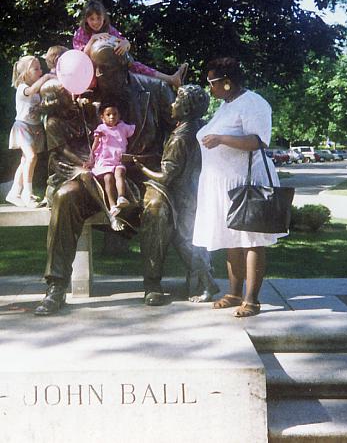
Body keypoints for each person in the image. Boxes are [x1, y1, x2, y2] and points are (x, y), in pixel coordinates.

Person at [34, 39, 175, 316]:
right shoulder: (82, 94)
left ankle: (153, 283)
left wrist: (171, 168)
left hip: (142, 173)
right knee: (65, 197)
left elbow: (179, 129)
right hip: (97, 173)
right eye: (94, 69)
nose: (96, 77)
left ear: (123, 66)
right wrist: (81, 170)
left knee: (156, 206)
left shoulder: (155, 90)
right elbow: (65, 138)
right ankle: (56, 286)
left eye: (104, 70)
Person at [192, 57, 288, 318]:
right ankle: (234, 293)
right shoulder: (226, 105)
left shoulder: (254, 103)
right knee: (230, 239)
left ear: (226, 82)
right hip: (223, 184)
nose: (209, 88)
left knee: (252, 241)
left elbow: (258, 141)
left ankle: (252, 300)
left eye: (212, 83)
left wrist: (222, 138)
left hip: (247, 183)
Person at [133, 85, 220, 306]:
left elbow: (166, 176)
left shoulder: (180, 137)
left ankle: (208, 282)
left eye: (176, 102)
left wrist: (141, 169)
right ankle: (206, 281)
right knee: (191, 239)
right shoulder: (199, 128)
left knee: (185, 240)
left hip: (182, 196)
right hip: (195, 191)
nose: (172, 105)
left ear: (187, 108)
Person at [73, 0, 188, 88]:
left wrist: (125, 44)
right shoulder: (81, 32)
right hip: (91, 71)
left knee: (135, 66)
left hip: (113, 69)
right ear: (86, 19)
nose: (95, 22)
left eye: (98, 18)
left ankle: (171, 79)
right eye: (91, 19)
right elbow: (80, 58)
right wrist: (93, 39)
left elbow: (124, 42)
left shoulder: (109, 30)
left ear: (104, 17)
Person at [6, 56, 54, 208]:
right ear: (25, 73)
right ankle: (28, 194)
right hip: (23, 127)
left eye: (41, 68)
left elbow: (40, 105)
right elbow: (31, 91)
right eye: (36, 69)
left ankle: (14, 193)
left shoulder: (38, 91)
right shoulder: (22, 88)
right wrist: (47, 76)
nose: (41, 71)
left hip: (35, 128)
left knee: (25, 161)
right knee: (31, 157)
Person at [85, 103, 136, 217]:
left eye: (114, 114)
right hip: (105, 160)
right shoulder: (101, 129)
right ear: (102, 117)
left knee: (120, 173)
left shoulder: (123, 127)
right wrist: (91, 159)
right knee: (108, 178)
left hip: (118, 159)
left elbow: (135, 130)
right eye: (108, 115)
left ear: (119, 115)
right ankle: (112, 205)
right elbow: (95, 145)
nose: (112, 117)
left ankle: (121, 197)